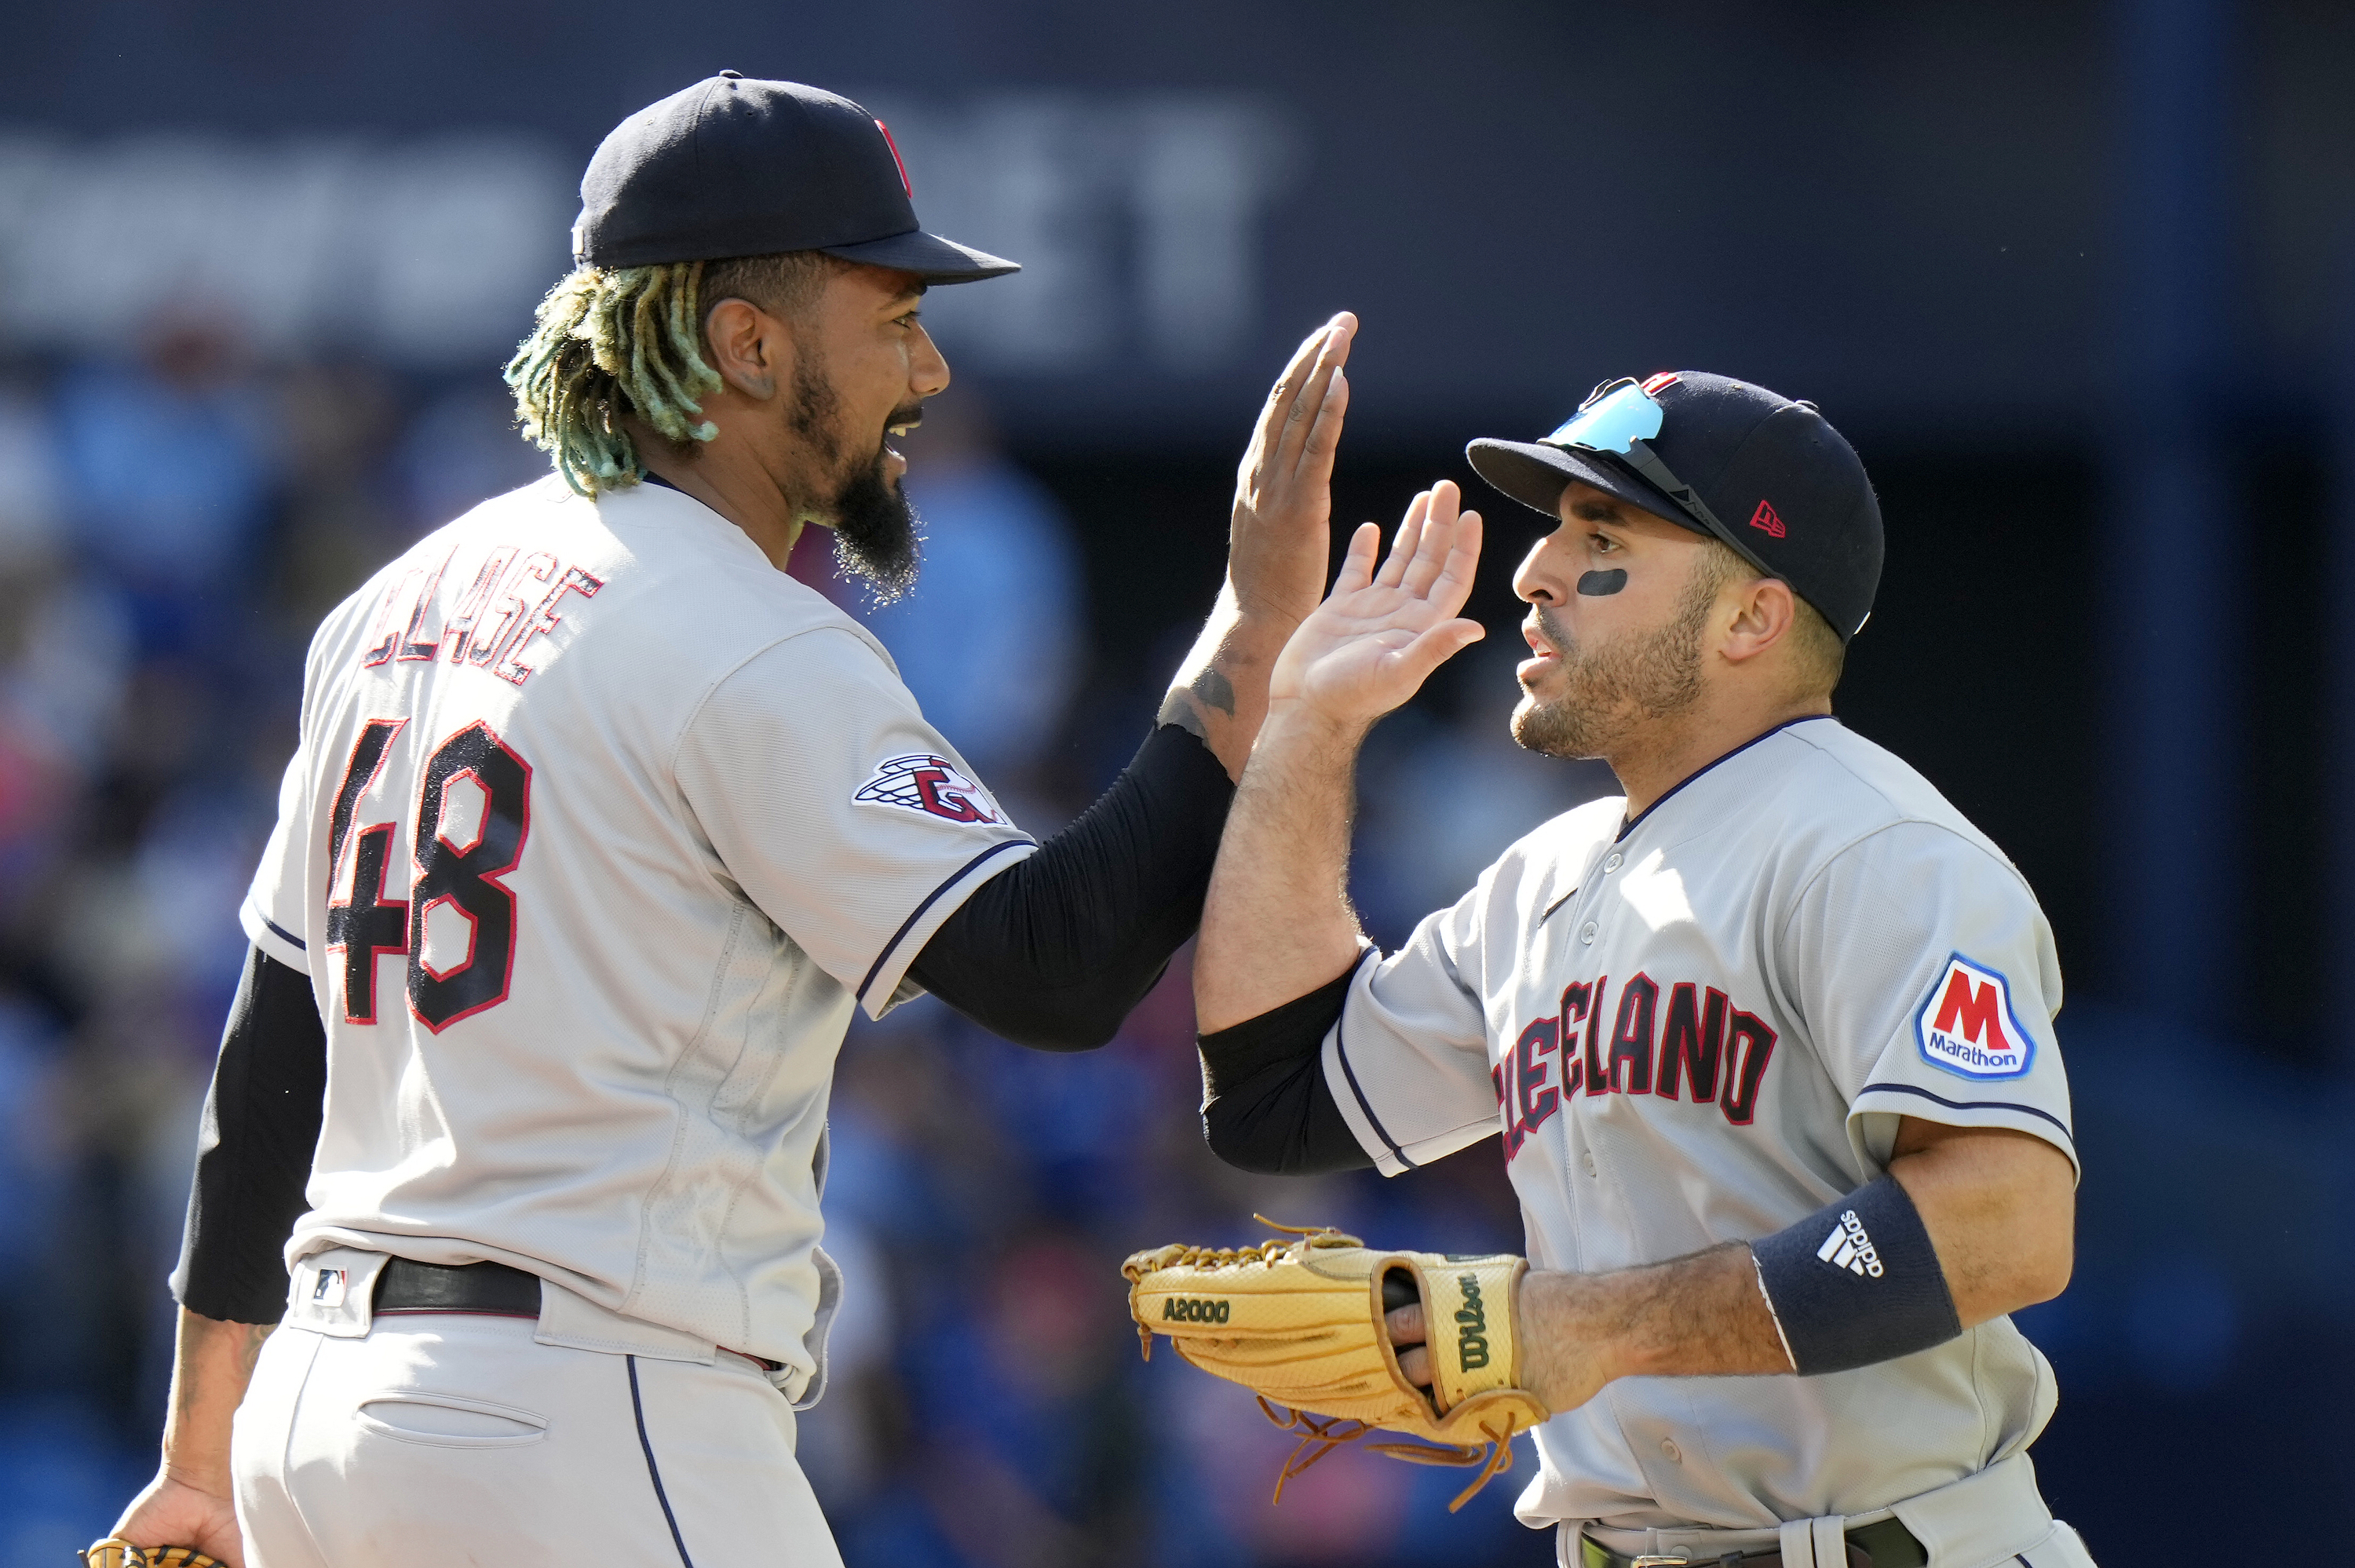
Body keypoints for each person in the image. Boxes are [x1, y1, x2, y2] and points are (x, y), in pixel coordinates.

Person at [102, 75, 1356, 1567]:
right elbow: (1059, 964)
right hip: (582, 1417)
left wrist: (199, 1452)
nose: (933, 367)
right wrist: (1248, 634)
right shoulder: (748, 638)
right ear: (746, 344)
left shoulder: (393, 603)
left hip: (316, 1422)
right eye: (893, 314)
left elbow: (270, 1062)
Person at [1190, 371, 2096, 1566]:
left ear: (1749, 619)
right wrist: (1308, 723)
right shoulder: (1539, 881)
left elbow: (2008, 1223)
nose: (1535, 570)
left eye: (1602, 535)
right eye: (1557, 526)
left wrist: (1592, 1324)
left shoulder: (1878, 850)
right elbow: (1273, 1097)